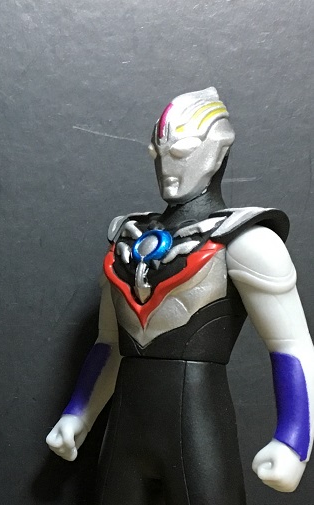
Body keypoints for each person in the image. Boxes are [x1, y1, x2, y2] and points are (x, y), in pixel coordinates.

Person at [46, 87, 314, 504]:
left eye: (183, 151)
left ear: (217, 150)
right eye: (158, 153)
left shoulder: (246, 240)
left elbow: (291, 344)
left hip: (199, 425)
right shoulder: (127, 239)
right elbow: (110, 343)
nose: (167, 165)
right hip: (126, 426)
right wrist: (79, 413)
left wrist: (294, 439)